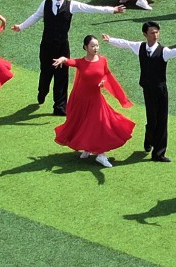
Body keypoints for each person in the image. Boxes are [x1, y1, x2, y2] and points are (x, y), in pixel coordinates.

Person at [10, 0, 119, 116]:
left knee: (62, 77)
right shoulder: (45, 4)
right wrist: (20, 27)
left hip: (62, 47)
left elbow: (91, 9)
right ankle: (42, 92)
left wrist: (112, 10)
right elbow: (35, 16)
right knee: (45, 74)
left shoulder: (71, 5)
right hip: (46, 46)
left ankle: (60, 107)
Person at [48, 35, 137, 168]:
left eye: (97, 45)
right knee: (85, 123)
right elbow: (70, 61)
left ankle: (98, 153)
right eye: (92, 46)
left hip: (96, 99)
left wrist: (103, 82)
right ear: (85, 47)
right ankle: (92, 151)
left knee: (100, 124)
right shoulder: (81, 62)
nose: (96, 48)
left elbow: (106, 75)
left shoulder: (103, 60)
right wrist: (63, 59)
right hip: (81, 99)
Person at [104, 22, 176, 161]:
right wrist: (110, 40)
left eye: (157, 32)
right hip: (147, 89)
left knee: (162, 121)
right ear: (145, 34)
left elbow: (173, 52)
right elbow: (125, 43)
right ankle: (149, 140)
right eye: (152, 33)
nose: (155, 35)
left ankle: (158, 154)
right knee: (152, 120)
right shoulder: (140, 47)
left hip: (160, 91)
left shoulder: (163, 51)